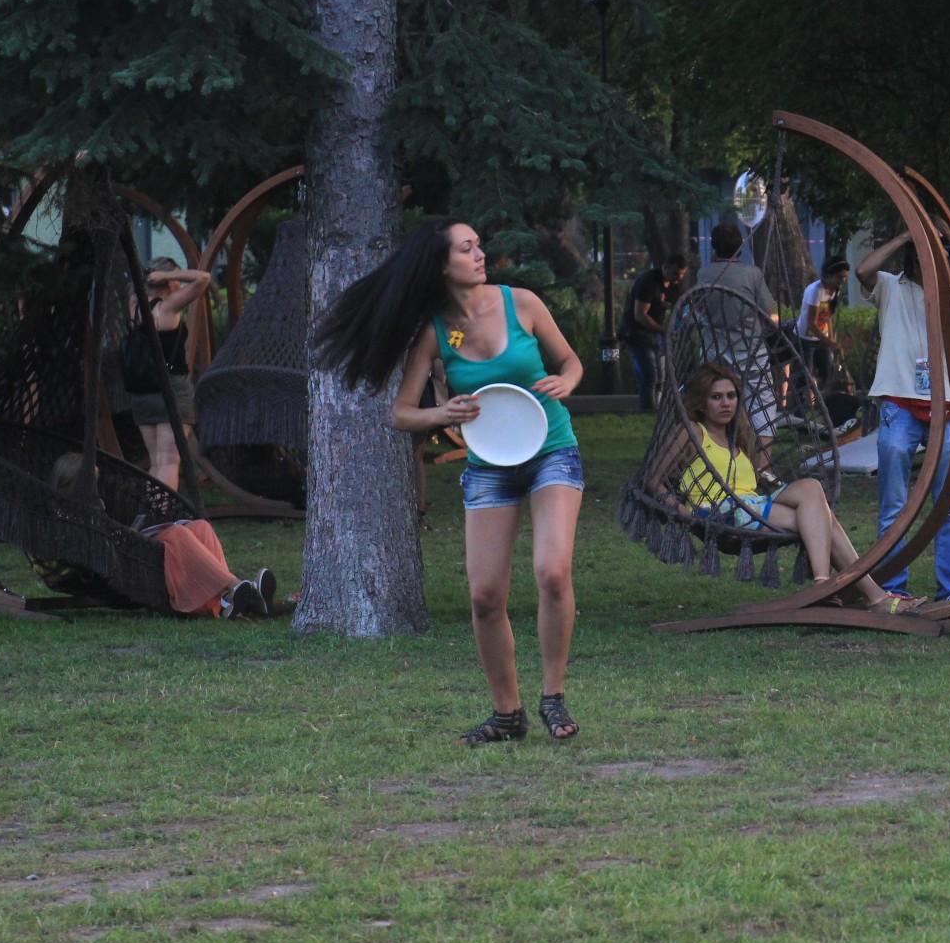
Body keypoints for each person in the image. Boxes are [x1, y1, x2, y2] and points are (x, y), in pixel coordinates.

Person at [316, 218, 586, 745]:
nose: (480, 254)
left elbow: (573, 359)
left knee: (552, 572)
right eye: (467, 249)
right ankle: (507, 715)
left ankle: (552, 696)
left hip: (551, 450)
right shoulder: (438, 332)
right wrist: (442, 413)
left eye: (478, 245)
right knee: (485, 596)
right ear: (443, 265)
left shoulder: (522, 304)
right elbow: (400, 414)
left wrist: (568, 380)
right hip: (490, 465)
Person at [648, 362, 920, 613]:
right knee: (820, 521)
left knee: (812, 490)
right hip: (722, 511)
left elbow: (753, 481)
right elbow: (652, 480)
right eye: (716, 397)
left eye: (731, 396)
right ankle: (865, 594)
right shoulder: (693, 432)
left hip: (752, 505)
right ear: (701, 403)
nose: (725, 403)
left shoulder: (737, 438)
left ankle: (835, 586)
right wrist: (683, 512)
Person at [856, 225, 950, 619]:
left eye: (939, 252)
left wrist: (940, 285)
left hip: (945, 407)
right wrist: (905, 235)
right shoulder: (891, 286)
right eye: (926, 251)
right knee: (894, 504)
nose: (931, 257)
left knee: (948, 506)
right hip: (899, 403)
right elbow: (862, 271)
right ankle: (892, 589)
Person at [50, 453, 275, 618]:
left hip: (127, 548)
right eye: (87, 482)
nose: (93, 487)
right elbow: (90, 546)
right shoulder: (61, 514)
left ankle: (226, 602)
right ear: (68, 483)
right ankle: (235, 588)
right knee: (176, 535)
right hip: (124, 565)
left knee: (199, 527)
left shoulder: (91, 504)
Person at [125, 256, 212, 492]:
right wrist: (170, 275)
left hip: (141, 394)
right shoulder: (168, 307)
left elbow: (134, 286)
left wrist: (157, 278)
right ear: (166, 282)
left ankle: (152, 517)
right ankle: (164, 519)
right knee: (169, 462)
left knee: (156, 462)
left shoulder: (135, 305)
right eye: (176, 278)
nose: (179, 283)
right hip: (170, 390)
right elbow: (204, 278)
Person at [695, 222, 780, 443]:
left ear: (714, 247)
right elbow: (770, 313)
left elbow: (698, 309)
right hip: (751, 352)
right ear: (740, 248)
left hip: (715, 353)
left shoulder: (704, 273)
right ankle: (763, 467)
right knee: (762, 403)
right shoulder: (752, 273)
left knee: (715, 402)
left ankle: (717, 453)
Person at [620, 253, 687, 411]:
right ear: (665, 268)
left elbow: (672, 306)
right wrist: (664, 331)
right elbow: (640, 315)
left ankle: (658, 410)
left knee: (661, 376)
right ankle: (647, 410)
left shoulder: (672, 285)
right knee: (649, 373)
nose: (678, 278)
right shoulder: (648, 282)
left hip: (655, 334)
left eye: (682, 275)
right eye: (675, 274)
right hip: (637, 332)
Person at [798, 260, 849, 398]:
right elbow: (811, 324)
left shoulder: (834, 290)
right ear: (830, 275)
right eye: (840, 277)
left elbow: (828, 318)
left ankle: (825, 405)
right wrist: (830, 342)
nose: (842, 281)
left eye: (845, 277)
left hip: (822, 340)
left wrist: (832, 340)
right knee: (805, 378)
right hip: (806, 339)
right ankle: (800, 412)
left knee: (828, 372)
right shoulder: (815, 291)